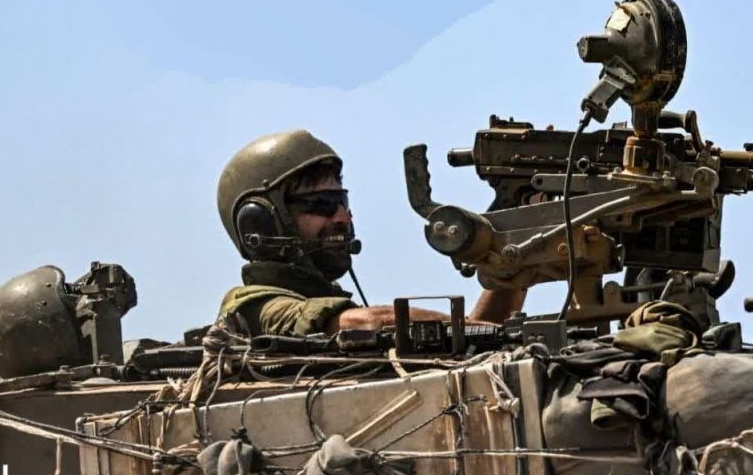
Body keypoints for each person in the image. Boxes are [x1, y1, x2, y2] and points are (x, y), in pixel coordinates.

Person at [216, 129, 525, 336]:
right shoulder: (254, 307)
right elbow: (367, 322)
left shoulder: (327, 310)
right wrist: (475, 329)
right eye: (321, 204)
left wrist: (518, 250)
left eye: (342, 201)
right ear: (262, 224)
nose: (343, 217)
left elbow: (483, 334)